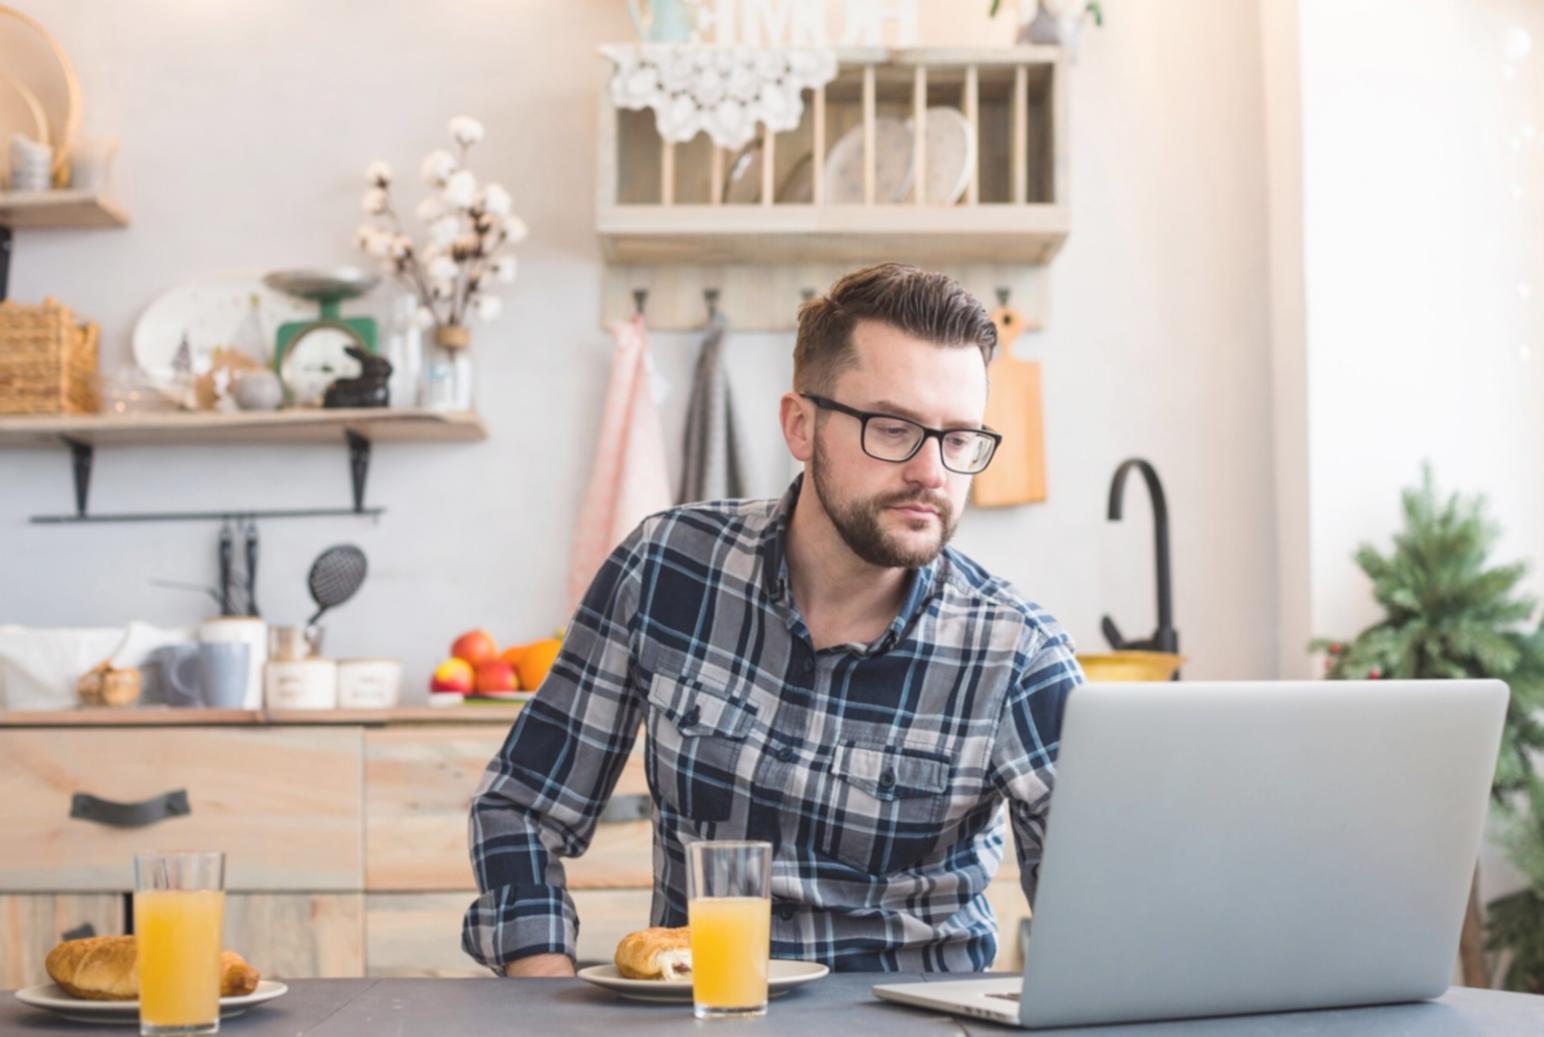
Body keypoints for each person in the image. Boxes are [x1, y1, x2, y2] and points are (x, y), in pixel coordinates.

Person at [463, 262, 1084, 976]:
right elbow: (520, 807)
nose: (933, 473)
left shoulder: (1017, 652)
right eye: (893, 428)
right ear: (800, 424)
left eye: (959, 437)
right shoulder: (667, 567)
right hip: (703, 1016)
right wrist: (542, 997)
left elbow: (1103, 915)